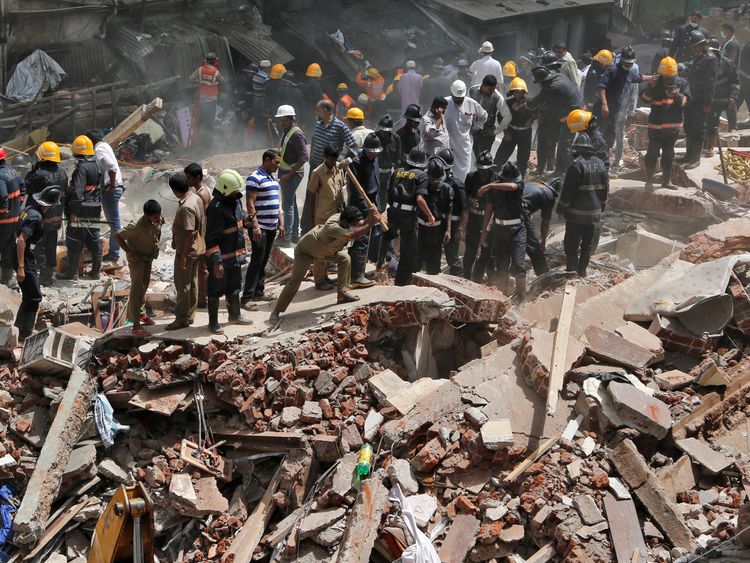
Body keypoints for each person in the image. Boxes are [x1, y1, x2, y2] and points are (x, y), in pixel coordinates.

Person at [269, 206, 380, 323]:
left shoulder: (347, 219)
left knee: (345, 258)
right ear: (344, 223)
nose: (357, 225)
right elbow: (353, 234)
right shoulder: (332, 227)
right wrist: (371, 223)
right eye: (354, 224)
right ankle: (276, 311)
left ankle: (343, 294)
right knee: (295, 282)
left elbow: (360, 224)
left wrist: (370, 217)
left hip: (326, 251)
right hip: (306, 252)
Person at [204, 170, 253, 333]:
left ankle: (235, 315)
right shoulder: (216, 208)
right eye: (235, 191)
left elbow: (235, 225)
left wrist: (245, 223)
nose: (238, 194)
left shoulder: (235, 201)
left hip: (235, 258)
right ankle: (213, 323)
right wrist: (217, 261)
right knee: (215, 290)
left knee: (234, 287)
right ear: (225, 189)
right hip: (221, 260)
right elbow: (211, 239)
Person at [557, 133, 608, 278]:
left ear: (576, 149)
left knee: (571, 244)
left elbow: (568, 192)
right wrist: (601, 207)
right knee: (587, 245)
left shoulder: (576, 165)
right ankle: (582, 272)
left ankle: (571, 271)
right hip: (594, 214)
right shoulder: (600, 163)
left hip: (576, 215)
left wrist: (561, 209)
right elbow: (605, 188)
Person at [14, 186, 61, 340]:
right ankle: (24, 335)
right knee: (34, 296)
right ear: (51, 205)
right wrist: (21, 267)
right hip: (23, 257)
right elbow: (21, 240)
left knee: (29, 294)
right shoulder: (35, 217)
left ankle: (18, 329)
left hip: (22, 255)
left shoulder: (30, 209)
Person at [478, 161, 527, 300]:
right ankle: (502, 298)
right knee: (501, 266)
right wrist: (484, 232)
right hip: (499, 229)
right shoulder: (495, 188)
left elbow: (512, 186)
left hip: (517, 229)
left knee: (518, 264)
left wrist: (489, 185)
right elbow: (489, 210)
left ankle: (522, 299)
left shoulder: (517, 185)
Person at [115, 199, 163, 337]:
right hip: (137, 259)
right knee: (136, 290)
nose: (158, 219)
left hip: (148, 257)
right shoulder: (136, 226)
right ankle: (135, 325)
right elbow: (117, 236)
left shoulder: (158, 217)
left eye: (158, 216)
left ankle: (141, 314)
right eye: (155, 217)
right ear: (147, 215)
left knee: (144, 285)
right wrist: (129, 252)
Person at [243, 150, 285, 306]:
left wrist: (280, 222)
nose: (278, 165)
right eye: (276, 162)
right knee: (256, 260)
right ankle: (246, 297)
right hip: (261, 228)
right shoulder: (255, 178)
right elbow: (250, 204)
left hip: (272, 227)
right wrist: (255, 227)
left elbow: (277, 203)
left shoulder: (273, 180)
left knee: (263, 260)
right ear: (267, 160)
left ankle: (258, 292)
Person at [381, 148, 429, 285]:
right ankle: (401, 282)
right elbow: (420, 199)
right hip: (408, 216)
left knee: (386, 241)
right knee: (409, 250)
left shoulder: (397, 172)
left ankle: (380, 266)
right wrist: (430, 215)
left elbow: (388, 194)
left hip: (393, 211)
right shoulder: (421, 176)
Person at [58, 135, 102, 281]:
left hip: (80, 210)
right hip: (94, 207)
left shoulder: (81, 169)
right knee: (93, 238)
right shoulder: (96, 165)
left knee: (74, 240)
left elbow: (77, 192)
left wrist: (74, 213)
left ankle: (71, 273)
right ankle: (95, 272)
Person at [642, 56, 690, 190]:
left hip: (672, 128)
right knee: (652, 153)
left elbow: (685, 102)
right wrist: (651, 87)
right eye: (666, 77)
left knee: (669, 155)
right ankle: (649, 182)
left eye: (671, 77)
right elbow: (645, 98)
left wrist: (676, 96)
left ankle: (666, 181)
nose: (668, 80)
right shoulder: (656, 83)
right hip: (656, 127)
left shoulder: (682, 83)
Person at [165, 173, 206, 330]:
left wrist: (182, 256)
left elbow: (189, 232)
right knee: (192, 283)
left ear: (175, 191)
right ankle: (190, 315)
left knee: (183, 285)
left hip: (187, 251)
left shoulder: (187, 206)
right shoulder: (195, 197)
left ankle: (182, 318)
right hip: (197, 248)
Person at [24, 142, 66, 285]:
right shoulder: (62, 172)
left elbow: (27, 187)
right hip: (56, 218)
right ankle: (47, 277)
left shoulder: (38, 175)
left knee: (38, 248)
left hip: (40, 219)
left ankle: (39, 278)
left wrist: (32, 171)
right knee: (50, 247)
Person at [304, 144, 347, 289]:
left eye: (335, 160)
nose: (333, 162)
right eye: (330, 160)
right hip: (322, 217)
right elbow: (310, 195)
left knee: (330, 249)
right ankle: (318, 281)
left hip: (336, 216)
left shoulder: (339, 170)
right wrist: (310, 219)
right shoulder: (318, 173)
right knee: (320, 250)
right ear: (325, 157)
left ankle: (325, 277)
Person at [529, 65, 582, 176]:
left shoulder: (551, 87)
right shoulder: (559, 76)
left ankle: (565, 173)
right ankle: (555, 169)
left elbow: (534, 102)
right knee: (560, 143)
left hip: (571, 117)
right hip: (571, 113)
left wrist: (525, 102)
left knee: (564, 146)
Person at [346, 133, 382, 288]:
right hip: (360, 206)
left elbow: (376, 181)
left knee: (367, 238)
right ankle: (356, 276)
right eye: (370, 152)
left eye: (375, 152)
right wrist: (366, 208)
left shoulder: (375, 160)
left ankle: (358, 271)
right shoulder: (356, 162)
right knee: (360, 238)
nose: (373, 154)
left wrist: (377, 205)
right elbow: (355, 190)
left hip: (372, 203)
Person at [593, 46, 646, 150]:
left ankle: (605, 158)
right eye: (627, 63)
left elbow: (638, 78)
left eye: (630, 63)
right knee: (598, 134)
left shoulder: (628, 72)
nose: (628, 65)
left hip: (614, 109)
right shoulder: (613, 69)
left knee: (610, 134)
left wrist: (653, 78)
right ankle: (595, 158)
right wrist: (604, 105)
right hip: (603, 108)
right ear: (621, 60)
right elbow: (601, 87)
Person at [682, 31, 718, 169]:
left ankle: (695, 159)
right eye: (693, 47)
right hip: (692, 97)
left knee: (698, 128)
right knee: (689, 126)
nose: (694, 50)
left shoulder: (711, 59)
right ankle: (688, 155)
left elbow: (711, 83)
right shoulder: (698, 57)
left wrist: (708, 103)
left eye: (696, 46)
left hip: (702, 100)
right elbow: (690, 66)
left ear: (703, 45)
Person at [87, 130, 123, 264]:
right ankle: (115, 252)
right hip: (114, 187)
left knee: (114, 223)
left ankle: (114, 254)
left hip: (111, 189)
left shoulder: (99, 149)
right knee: (114, 222)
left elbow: (111, 167)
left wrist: (112, 184)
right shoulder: (105, 145)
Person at [274, 105, 308, 245]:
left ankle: (286, 237)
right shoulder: (288, 132)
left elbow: (303, 157)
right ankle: (294, 234)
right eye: (280, 120)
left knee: (288, 206)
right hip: (286, 174)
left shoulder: (296, 134)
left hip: (291, 176)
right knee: (291, 202)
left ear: (291, 119)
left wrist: (288, 175)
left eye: (283, 120)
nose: (281, 123)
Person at [463, 150, 498, 281]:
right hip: (474, 217)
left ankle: (491, 279)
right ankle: (466, 275)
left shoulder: (496, 179)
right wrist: (469, 201)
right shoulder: (471, 177)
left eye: (485, 169)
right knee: (470, 248)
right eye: (480, 168)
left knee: (488, 251)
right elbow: (464, 196)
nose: (482, 172)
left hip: (488, 219)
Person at [445, 80, 488, 182]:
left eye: (461, 98)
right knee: (448, 169)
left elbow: (484, 115)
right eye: (456, 98)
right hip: (448, 143)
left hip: (464, 145)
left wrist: (475, 128)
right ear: (451, 94)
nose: (458, 100)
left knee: (464, 172)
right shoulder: (444, 102)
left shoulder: (471, 103)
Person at [705, 37, 740, 154]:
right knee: (711, 123)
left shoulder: (726, 63)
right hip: (712, 100)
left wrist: (733, 96)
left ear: (718, 51)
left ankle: (733, 131)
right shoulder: (704, 62)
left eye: (713, 52)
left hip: (726, 98)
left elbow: (735, 81)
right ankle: (709, 147)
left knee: (732, 108)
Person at [417, 159, 452, 275]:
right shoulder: (421, 185)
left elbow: (448, 211)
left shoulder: (446, 189)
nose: (434, 183)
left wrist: (448, 230)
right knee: (416, 261)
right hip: (420, 227)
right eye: (432, 180)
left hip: (437, 230)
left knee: (434, 264)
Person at [183, 162, 211, 308]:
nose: (187, 180)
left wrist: (198, 236)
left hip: (203, 234)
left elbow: (204, 218)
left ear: (198, 177)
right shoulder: (200, 191)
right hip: (203, 234)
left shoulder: (201, 194)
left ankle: (202, 298)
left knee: (202, 267)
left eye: (189, 178)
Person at [494, 77, 534, 175]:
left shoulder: (530, 102)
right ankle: (493, 175)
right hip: (511, 132)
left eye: (520, 92)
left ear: (524, 92)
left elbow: (538, 113)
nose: (518, 95)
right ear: (512, 92)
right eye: (516, 92)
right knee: (500, 158)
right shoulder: (507, 103)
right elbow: (500, 117)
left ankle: (520, 180)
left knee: (523, 159)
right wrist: (506, 133)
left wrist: (532, 119)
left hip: (525, 133)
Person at [436, 149, 466, 277]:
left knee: (452, 257)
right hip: (439, 222)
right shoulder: (437, 180)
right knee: (434, 254)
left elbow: (465, 209)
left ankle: (458, 280)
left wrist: (460, 229)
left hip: (453, 225)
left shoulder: (457, 185)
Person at [522, 178, 560, 275]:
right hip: (521, 213)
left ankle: (498, 274)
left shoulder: (533, 184)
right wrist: (543, 242)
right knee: (534, 248)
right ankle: (544, 276)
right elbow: (545, 222)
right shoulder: (549, 195)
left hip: (505, 210)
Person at [469, 74, 511, 158]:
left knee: (483, 159)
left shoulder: (497, 97)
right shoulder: (472, 90)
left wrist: (495, 132)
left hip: (486, 134)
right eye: (489, 89)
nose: (491, 92)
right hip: (471, 131)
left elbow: (507, 116)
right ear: (483, 85)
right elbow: (466, 106)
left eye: (493, 89)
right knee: (472, 156)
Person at [309, 100, 357, 169]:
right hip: (314, 165)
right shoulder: (318, 124)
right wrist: (311, 158)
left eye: (317, 110)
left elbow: (354, 147)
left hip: (329, 168)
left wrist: (346, 161)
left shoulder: (341, 127)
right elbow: (314, 141)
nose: (315, 113)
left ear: (325, 111)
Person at [0, 148, 23, 285]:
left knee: (4, 248)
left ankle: (5, 280)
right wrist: (16, 206)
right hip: (14, 218)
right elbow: (22, 188)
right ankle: (7, 279)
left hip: (4, 220)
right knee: (8, 248)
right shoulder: (11, 170)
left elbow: (2, 196)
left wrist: (3, 210)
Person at [190, 52, 224, 144]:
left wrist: (199, 81)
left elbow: (191, 78)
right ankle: (208, 142)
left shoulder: (200, 69)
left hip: (202, 99)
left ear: (206, 60)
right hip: (211, 100)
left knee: (202, 119)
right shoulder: (216, 72)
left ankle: (200, 140)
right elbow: (222, 80)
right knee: (210, 121)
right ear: (214, 61)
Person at [375, 115, 401, 211]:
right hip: (375, 172)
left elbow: (398, 159)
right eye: (381, 130)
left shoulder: (396, 139)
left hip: (388, 174)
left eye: (385, 131)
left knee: (384, 196)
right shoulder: (374, 137)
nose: (383, 133)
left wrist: (397, 175)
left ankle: (381, 213)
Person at [300, 63, 325, 129]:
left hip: (305, 113)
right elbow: (320, 101)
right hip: (314, 114)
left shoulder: (305, 84)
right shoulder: (316, 85)